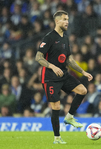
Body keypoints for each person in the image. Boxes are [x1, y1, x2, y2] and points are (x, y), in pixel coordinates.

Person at [35, 10, 93, 144]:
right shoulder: (49, 37)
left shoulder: (65, 38)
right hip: (50, 76)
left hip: (63, 74)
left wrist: (83, 72)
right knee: (56, 106)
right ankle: (57, 138)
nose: (67, 22)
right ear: (57, 21)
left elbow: (69, 60)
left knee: (83, 90)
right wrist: (52, 66)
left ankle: (70, 117)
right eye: (64, 19)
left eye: (68, 19)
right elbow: (38, 57)